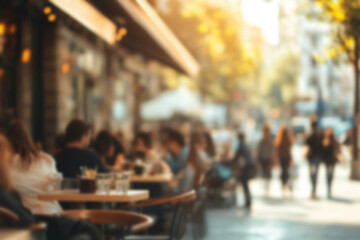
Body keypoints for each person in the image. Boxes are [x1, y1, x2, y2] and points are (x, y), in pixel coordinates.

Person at [0, 134, 100, 240]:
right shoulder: (46, 159)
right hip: (39, 227)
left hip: (43, 218)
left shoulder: (53, 158)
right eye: (6, 158)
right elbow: (27, 219)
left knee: (88, 229)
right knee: (88, 231)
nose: (9, 161)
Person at [5, 121, 62, 215]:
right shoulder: (47, 160)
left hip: (22, 216)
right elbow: (55, 190)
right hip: (52, 213)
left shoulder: (7, 163)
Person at [232, 133, 255, 209]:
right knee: (245, 184)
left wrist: (230, 162)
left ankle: (248, 201)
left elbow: (236, 156)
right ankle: (248, 201)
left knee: (245, 183)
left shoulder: (241, 145)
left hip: (246, 166)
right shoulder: (245, 144)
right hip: (248, 165)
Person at [305, 119, 324, 199]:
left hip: (311, 157)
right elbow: (322, 146)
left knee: (312, 174)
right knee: (315, 174)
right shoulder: (319, 134)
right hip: (317, 157)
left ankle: (313, 190)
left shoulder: (309, 134)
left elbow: (306, 144)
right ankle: (314, 190)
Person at [275, 125, 293, 197]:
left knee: (283, 170)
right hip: (286, 157)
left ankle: (284, 184)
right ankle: (286, 183)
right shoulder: (288, 140)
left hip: (282, 158)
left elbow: (278, 150)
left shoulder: (280, 140)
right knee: (286, 170)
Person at [257, 123, 275, 197]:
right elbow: (259, 150)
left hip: (267, 158)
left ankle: (266, 188)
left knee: (267, 173)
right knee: (265, 173)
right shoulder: (263, 141)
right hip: (264, 158)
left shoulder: (269, 140)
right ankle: (266, 187)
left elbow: (272, 150)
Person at [322, 128, 340, 199]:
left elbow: (323, 153)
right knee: (331, 175)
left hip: (328, 162)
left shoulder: (326, 142)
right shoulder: (334, 143)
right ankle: (329, 188)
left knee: (328, 175)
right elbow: (338, 151)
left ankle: (328, 188)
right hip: (332, 162)